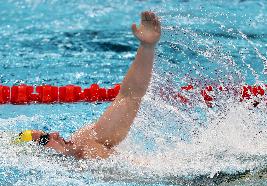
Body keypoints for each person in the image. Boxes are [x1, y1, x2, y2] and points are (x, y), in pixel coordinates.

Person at [14, 11, 161, 159]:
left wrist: (146, 48)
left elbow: (129, 96)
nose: (55, 134)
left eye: (47, 134)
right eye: (45, 139)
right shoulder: (83, 160)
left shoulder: (85, 140)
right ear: (38, 156)